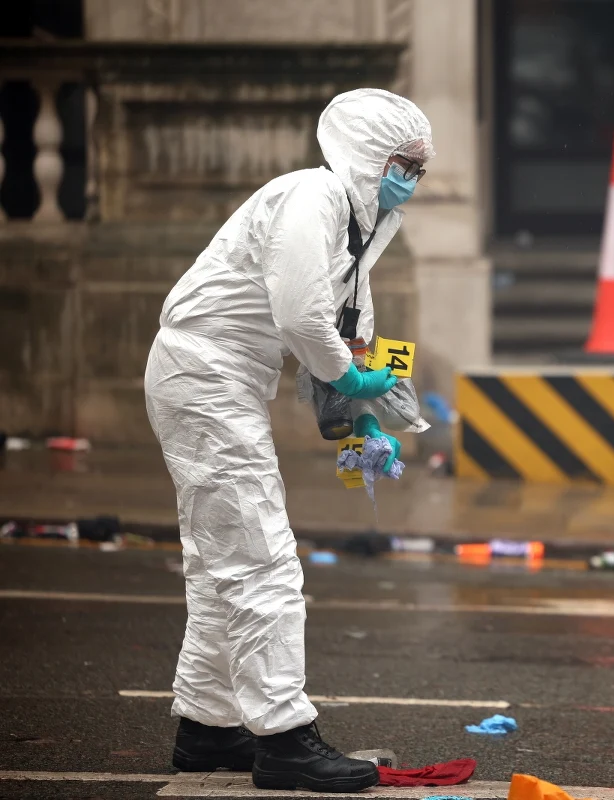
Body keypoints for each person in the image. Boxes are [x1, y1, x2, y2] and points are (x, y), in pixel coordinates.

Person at [144, 88, 432, 793]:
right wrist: (352, 380)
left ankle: (208, 728)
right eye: (404, 163)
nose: (412, 180)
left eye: (420, 169)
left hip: (225, 377)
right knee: (262, 557)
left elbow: (348, 339)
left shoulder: (359, 235)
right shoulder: (313, 197)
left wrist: (362, 423)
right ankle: (285, 740)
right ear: (369, 154)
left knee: (220, 564)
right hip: (204, 370)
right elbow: (304, 321)